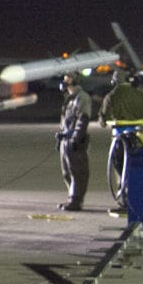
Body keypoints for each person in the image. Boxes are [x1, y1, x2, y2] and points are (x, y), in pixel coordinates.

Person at [56, 71, 92, 211]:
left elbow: (83, 119)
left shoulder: (82, 98)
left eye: (68, 78)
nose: (64, 80)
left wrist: (76, 137)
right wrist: (61, 135)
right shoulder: (69, 98)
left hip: (75, 140)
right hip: (66, 139)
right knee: (67, 171)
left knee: (77, 171)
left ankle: (76, 200)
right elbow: (65, 120)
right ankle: (72, 198)